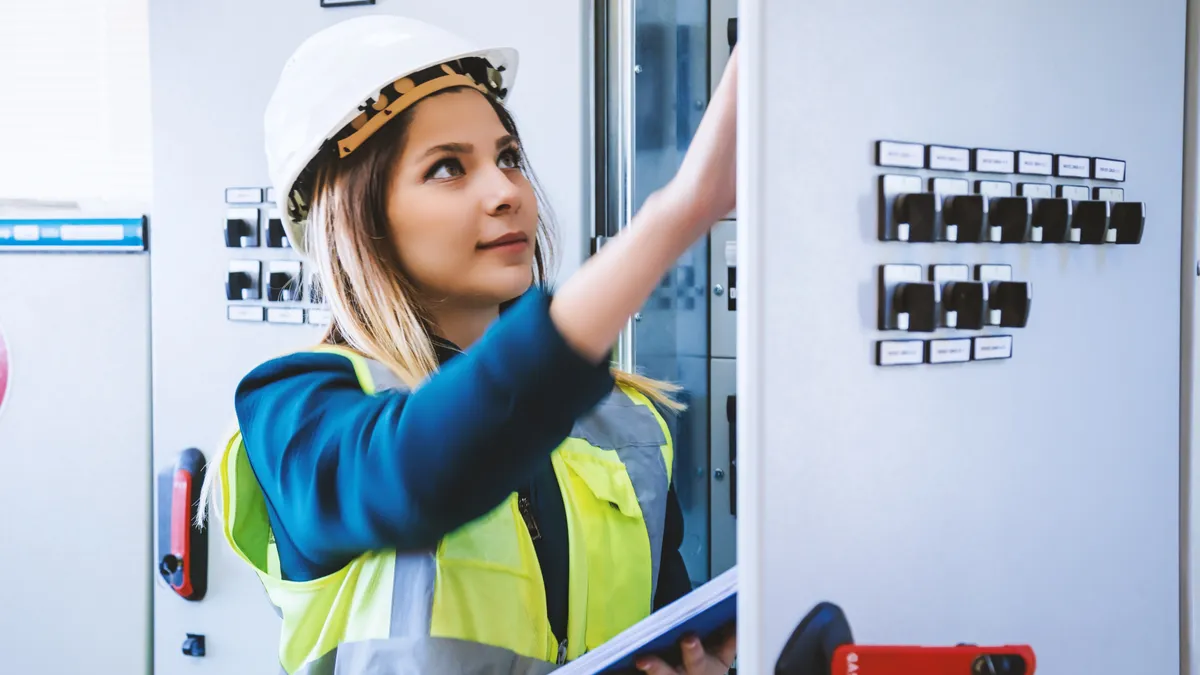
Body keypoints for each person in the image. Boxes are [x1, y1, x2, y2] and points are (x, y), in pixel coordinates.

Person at [199, 14, 738, 675]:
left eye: (508, 157)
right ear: (357, 215)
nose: (506, 192)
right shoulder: (297, 409)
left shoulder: (623, 421)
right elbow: (421, 470)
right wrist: (680, 212)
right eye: (448, 167)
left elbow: (663, 634)